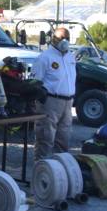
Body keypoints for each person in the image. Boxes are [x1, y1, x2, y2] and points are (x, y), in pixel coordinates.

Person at [31, 27, 77, 162]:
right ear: (54, 39)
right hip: (50, 101)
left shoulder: (70, 57)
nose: (65, 41)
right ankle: (41, 166)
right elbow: (35, 82)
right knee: (45, 137)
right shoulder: (45, 57)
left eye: (67, 38)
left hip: (68, 102)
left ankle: (59, 167)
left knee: (63, 137)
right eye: (62, 38)